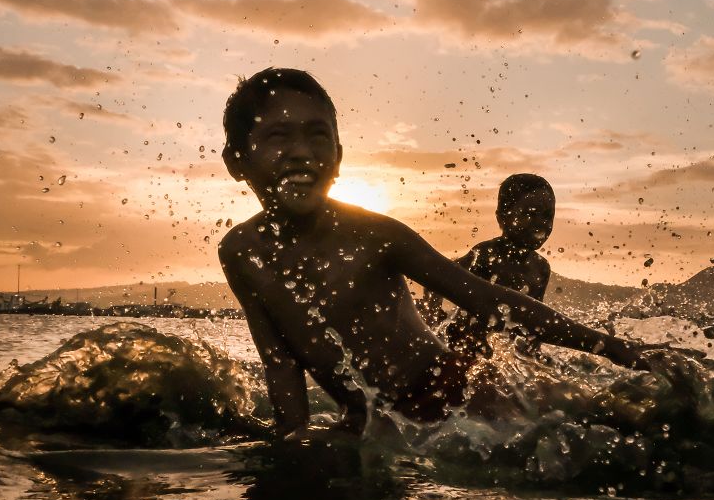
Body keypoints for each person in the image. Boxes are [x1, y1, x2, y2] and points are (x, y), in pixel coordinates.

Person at [218, 67, 658, 436]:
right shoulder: (239, 252)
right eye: (278, 136)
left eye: (318, 136)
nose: (301, 153)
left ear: (339, 155)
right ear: (236, 161)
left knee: (605, 422)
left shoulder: (374, 234)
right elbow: (279, 363)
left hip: (456, 390)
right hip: (372, 417)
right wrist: (291, 439)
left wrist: (614, 349)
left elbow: (490, 301)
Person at [425, 172, 555, 360]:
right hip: (464, 344)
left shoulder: (541, 268)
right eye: (529, 214)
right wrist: (432, 323)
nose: (540, 223)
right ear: (503, 217)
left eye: (547, 215)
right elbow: (437, 279)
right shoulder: (487, 255)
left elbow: (535, 323)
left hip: (503, 354)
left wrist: (531, 355)